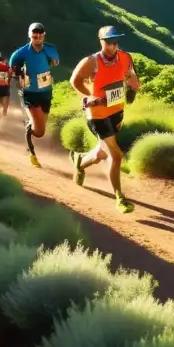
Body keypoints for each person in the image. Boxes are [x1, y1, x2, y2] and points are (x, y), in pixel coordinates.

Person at [68, 26, 139, 213]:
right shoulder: (92, 62)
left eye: (116, 42)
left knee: (102, 152)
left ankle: (80, 161)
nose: (113, 46)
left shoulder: (125, 57)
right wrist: (89, 95)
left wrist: (133, 86)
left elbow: (130, 75)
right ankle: (120, 198)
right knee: (116, 155)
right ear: (101, 42)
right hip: (97, 113)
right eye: (109, 42)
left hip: (116, 111)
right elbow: (74, 80)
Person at [9, 22, 60, 167]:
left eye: (40, 33)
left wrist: (53, 61)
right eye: (34, 33)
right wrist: (19, 73)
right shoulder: (20, 53)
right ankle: (31, 152)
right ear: (29, 34)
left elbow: (55, 61)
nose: (37, 36)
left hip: (46, 92)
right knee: (36, 127)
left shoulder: (50, 49)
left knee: (40, 132)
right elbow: (13, 70)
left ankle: (29, 124)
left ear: (44, 35)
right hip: (29, 92)